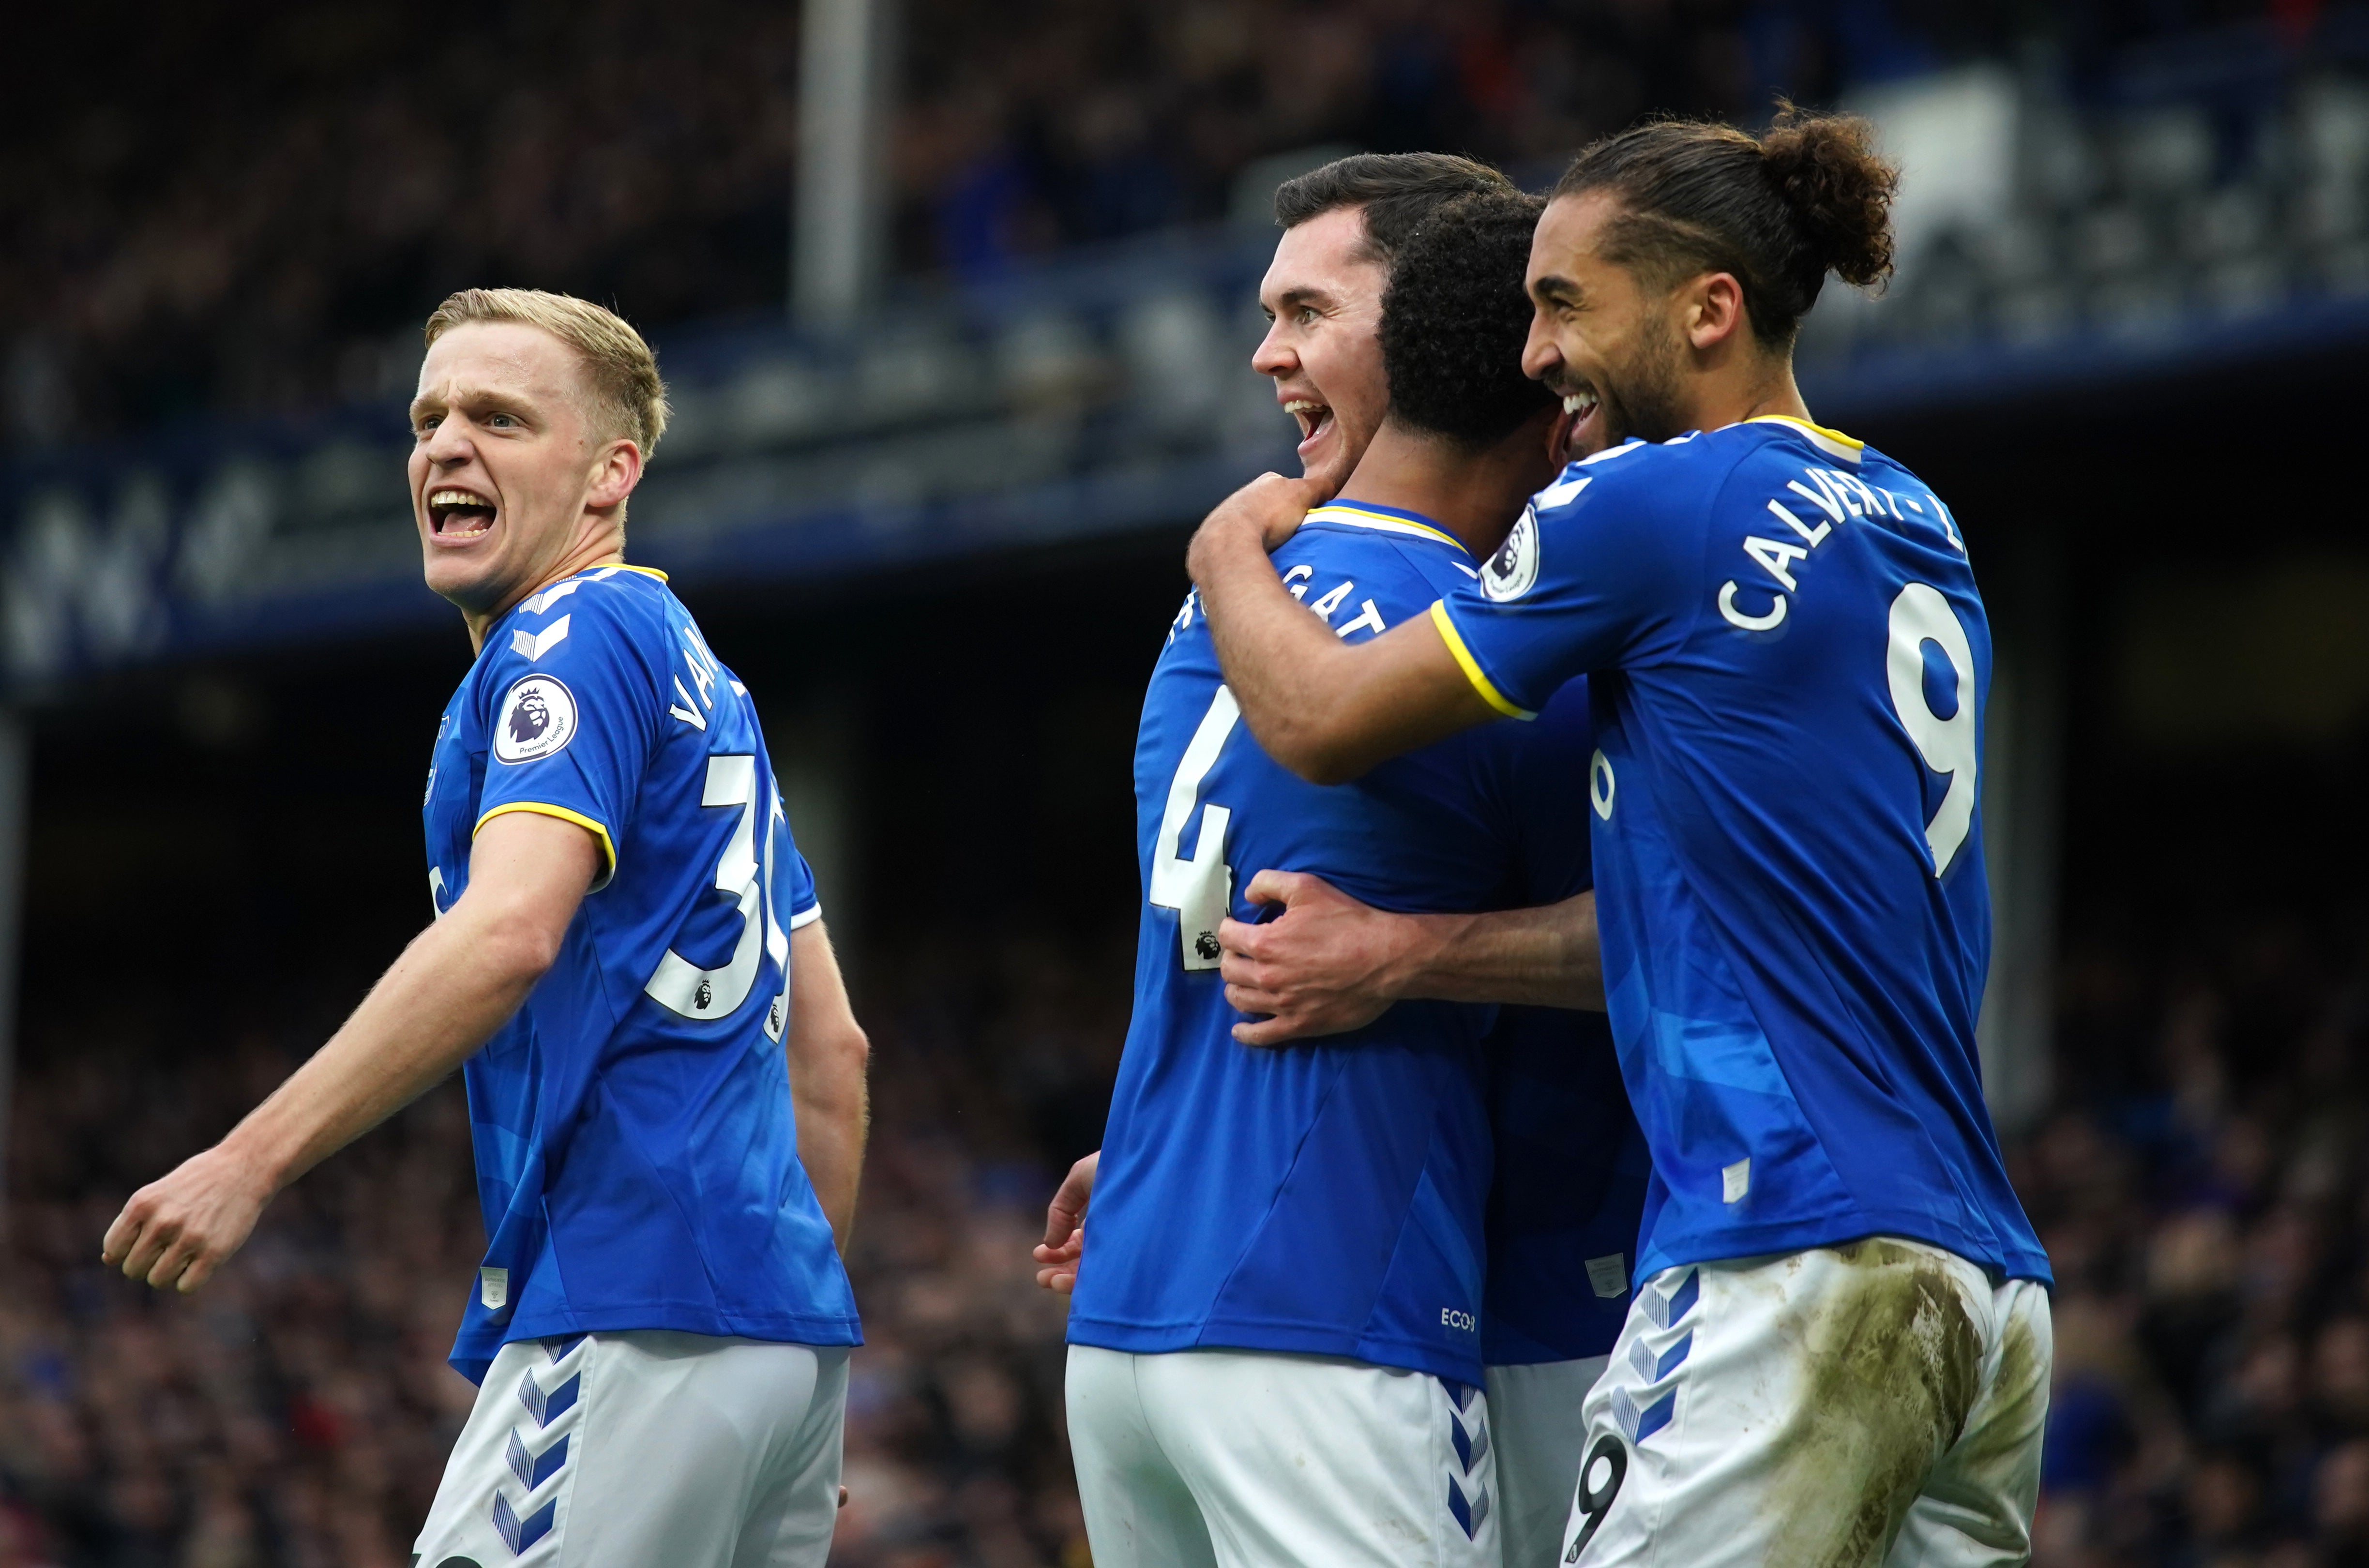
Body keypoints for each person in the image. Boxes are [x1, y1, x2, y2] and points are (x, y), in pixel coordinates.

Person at [1184, 110, 2053, 1568]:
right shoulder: (1911, 514)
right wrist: (1410, 952)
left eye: (1565, 304)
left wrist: (1223, 551)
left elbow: (1322, 718)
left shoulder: (1647, 501)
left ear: (1708, 309)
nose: (1534, 356)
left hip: (1784, 1247)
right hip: (1984, 1281)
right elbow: (1714, 903)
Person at [99, 288, 869, 1567]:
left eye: (501, 418)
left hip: (630, 1300)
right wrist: (783, 1359)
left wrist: (249, 1158)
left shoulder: (570, 641)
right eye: (429, 417)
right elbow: (832, 1059)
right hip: (770, 1336)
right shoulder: (705, 686)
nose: (447, 445)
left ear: (612, 472)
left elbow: (512, 932)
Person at [1038, 154, 1647, 1568]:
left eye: (1308, 311)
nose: (1268, 353)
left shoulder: (1226, 604)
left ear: (1429, 315)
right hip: (1366, 1300)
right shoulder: (1488, 649)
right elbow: (1676, 929)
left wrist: (1152, 1146)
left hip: (1143, 1300)